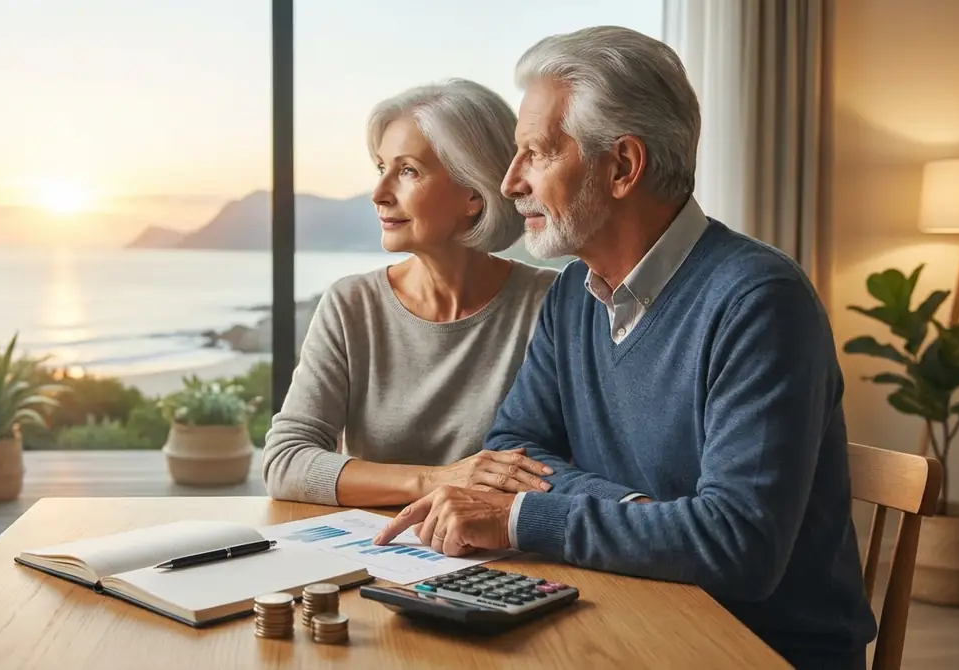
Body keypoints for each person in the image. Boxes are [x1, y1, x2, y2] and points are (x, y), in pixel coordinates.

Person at [372, 27, 878, 669]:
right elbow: (512, 451)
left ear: (622, 167)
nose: (509, 182)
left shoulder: (759, 301)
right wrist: (651, 515)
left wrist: (521, 519)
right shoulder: (571, 297)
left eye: (536, 153)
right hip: (625, 608)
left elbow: (736, 548)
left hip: (754, 648)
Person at [262, 79, 560, 508]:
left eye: (407, 171)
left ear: (473, 193)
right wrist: (435, 480)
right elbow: (285, 462)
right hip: (376, 552)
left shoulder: (551, 304)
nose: (379, 194)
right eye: (381, 168)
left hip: (508, 556)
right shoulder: (352, 305)